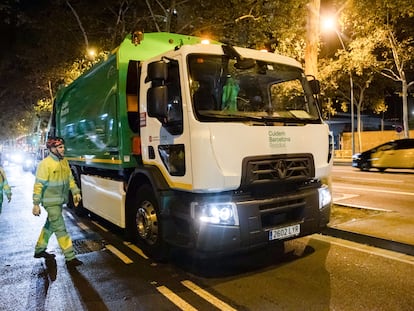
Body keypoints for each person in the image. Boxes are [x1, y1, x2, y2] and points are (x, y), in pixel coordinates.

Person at [32, 136, 83, 268]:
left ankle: (39, 249)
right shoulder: (45, 164)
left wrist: (76, 192)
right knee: (60, 229)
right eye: (60, 147)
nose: (63, 149)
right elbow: (38, 185)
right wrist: (36, 204)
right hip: (50, 203)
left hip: (59, 201)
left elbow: (70, 179)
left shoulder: (64, 162)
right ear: (52, 149)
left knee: (50, 226)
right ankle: (70, 258)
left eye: (63, 147)